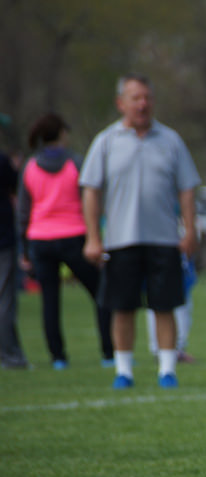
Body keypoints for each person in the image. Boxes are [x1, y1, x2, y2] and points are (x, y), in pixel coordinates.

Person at [80, 73, 201, 389]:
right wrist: (93, 236)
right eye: (136, 98)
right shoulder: (106, 142)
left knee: (165, 305)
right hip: (121, 239)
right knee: (122, 307)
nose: (143, 104)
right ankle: (124, 370)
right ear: (121, 103)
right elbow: (91, 190)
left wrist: (190, 231)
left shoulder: (171, 140)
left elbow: (187, 190)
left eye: (147, 97)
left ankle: (167, 369)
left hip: (163, 238)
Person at [16, 112, 113, 369]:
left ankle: (58, 358)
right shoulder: (75, 163)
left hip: (40, 239)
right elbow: (90, 201)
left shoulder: (30, 165)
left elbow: (24, 213)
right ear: (60, 134)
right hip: (74, 236)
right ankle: (109, 353)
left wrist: (24, 250)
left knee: (50, 300)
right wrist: (97, 237)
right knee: (101, 292)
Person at [0, 148, 29, 369]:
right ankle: (10, 356)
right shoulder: (2, 160)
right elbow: (16, 187)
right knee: (5, 300)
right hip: (3, 239)